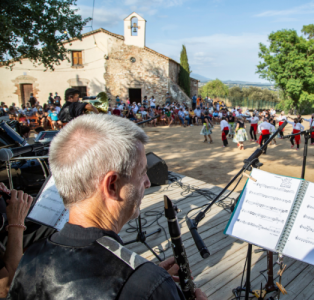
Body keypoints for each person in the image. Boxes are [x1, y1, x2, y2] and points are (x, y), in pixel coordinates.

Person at [7, 114, 208, 300]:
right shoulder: (150, 286)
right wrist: (148, 284)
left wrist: (142, 278)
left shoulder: (29, 260)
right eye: (142, 173)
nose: (147, 182)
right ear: (112, 185)